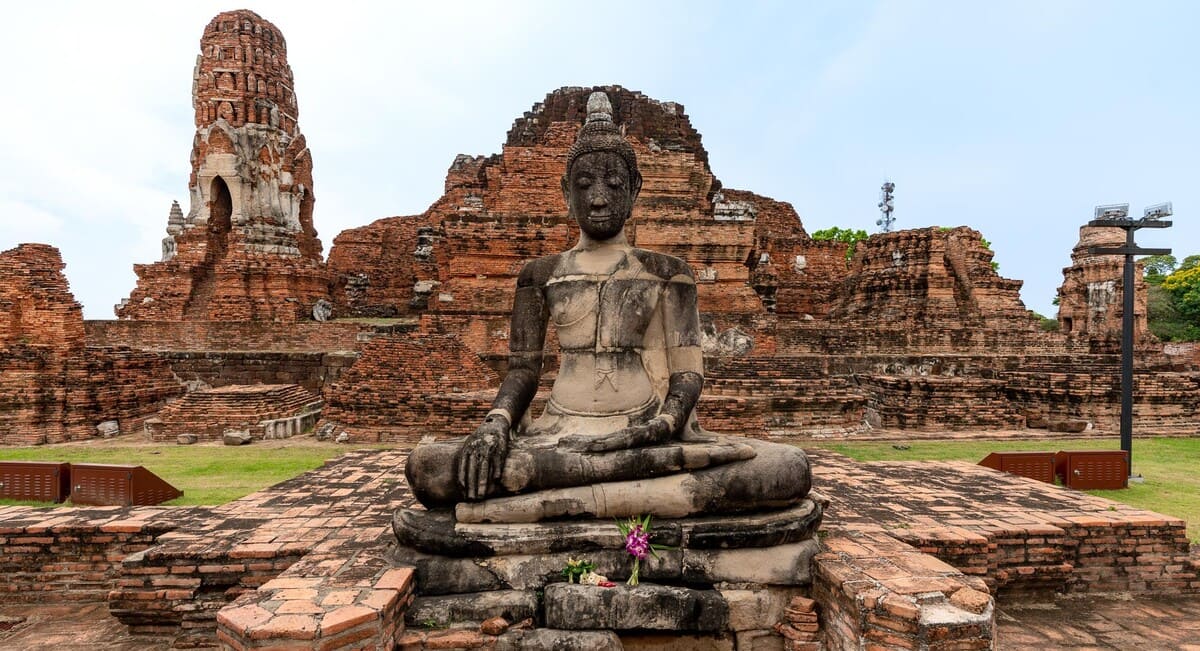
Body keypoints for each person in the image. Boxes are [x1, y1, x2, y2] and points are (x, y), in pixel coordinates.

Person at [404, 92, 810, 524]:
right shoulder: (539, 275)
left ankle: (549, 505)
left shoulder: (669, 273)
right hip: (558, 435)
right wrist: (496, 424)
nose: (598, 198)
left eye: (613, 184)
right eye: (584, 185)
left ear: (634, 189)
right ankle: (631, 500)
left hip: (647, 435)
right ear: (566, 191)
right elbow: (523, 370)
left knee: (786, 469)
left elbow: (688, 374)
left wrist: (663, 424)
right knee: (428, 468)